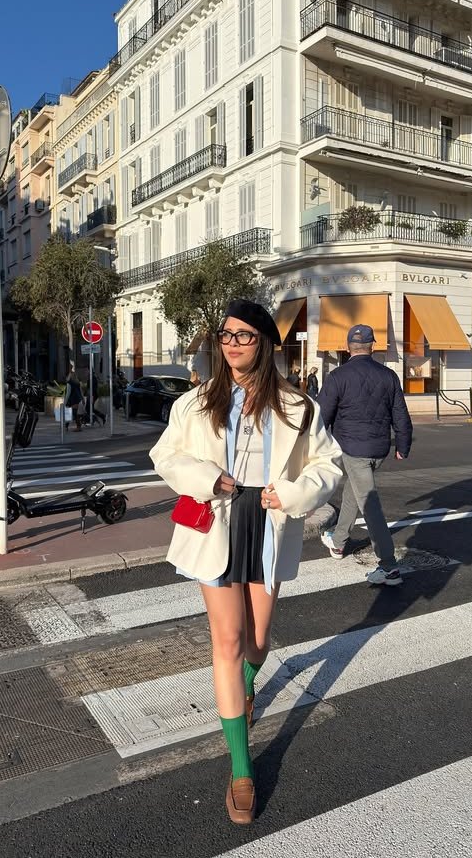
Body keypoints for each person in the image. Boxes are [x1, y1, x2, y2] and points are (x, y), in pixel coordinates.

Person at [150, 299, 342, 825]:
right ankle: (241, 768)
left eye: (244, 335)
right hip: (217, 520)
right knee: (229, 641)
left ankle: (248, 684)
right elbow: (165, 455)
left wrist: (296, 492)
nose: (232, 344)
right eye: (226, 335)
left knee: (258, 641)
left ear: (265, 343)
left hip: (268, 520)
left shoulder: (298, 405)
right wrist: (206, 478)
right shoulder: (193, 404)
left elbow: (330, 464)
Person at [317, 324, 413, 587]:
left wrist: (310, 448)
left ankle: (389, 566)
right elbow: (401, 415)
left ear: (348, 347)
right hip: (378, 449)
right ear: (373, 346)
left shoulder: (338, 376)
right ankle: (338, 543)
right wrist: (402, 446)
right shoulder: (388, 376)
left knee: (370, 505)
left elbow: (320, 417)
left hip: (352, 448)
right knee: (355, 490)